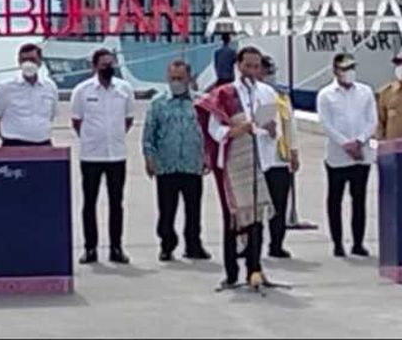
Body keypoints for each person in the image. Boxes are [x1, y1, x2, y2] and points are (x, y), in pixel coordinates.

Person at [196, 46, 278, 289]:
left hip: (259, 159)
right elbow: (214, 129)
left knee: (257, 217)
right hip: (233, 159)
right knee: (233, 217)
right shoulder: (224, 94)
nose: (252, 71)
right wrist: (235, 131)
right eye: (247, 65)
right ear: (238, 65)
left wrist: (271, 130)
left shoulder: (266, 93)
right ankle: (231, 272)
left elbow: (269, 126)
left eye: (256, 66)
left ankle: (255, 268)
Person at [70, 48, 136, 264]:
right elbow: (76, 121)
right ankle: (90, 249)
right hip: (91, 155)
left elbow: (128, 119)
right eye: (104, 64)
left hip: (116, 154)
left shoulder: (124, 89)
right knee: (90, 203)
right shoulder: (82, 90)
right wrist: (92, 138)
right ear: (95, 66)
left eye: (111, 63)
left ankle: (116, 248)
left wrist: (114, 136)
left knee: (116, 203)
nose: (108, 68)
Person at [142, 60, 210, 262]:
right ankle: (167, 245)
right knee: (166, 210)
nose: (176, 82)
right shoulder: (158, 103)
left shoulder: (201, 103)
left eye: (180, 78)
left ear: (189, 78)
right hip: (166, 164)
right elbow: (149, 134)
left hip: (192, 164)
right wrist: (149, 158)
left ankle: (193, 245)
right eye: (173, 78)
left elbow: (207, 133)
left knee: (194, 209)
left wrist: (207, 156)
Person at [318, 52, 376, 258]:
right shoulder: (326, 94)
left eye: (352, 67)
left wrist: (360, 141)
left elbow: (372, 121)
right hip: (337, 155)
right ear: (335, 70)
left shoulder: (365, 91)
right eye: (344, 68)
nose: (349, 72)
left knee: (358, 199)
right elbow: (326, 124)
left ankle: (358, 243)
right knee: (335, 199)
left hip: (362, 154)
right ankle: (337, 243)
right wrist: (345, 144)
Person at [258, 55, 299, 259]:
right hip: (258, 159)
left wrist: (294, 151)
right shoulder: (251, 95)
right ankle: (249, 245)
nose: (269, 76)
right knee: (254, 208)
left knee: (279, 206)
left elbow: (291, 125)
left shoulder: (282, 97)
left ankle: (276, 244)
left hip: (280, 158)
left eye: (271, 71)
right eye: (266, 72)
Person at [0, 43, 58, 147]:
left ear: (40, 62)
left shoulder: (50, 87)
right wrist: (5, 137)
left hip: (44, 143)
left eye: (32, 60)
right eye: (24, 60)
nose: (28, 64)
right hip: (14, 143)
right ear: (19, 62)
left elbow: (51, 115)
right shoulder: (6, 88)